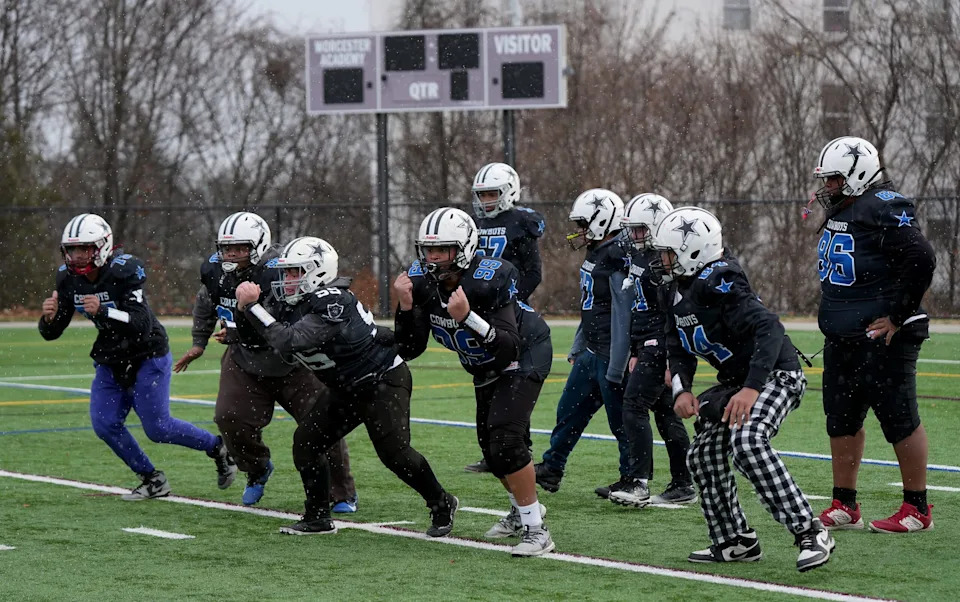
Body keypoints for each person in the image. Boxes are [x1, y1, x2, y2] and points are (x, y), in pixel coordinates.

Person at [651, 206, 834, 572]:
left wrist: (751, 389)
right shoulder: (672, 289)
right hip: (737, 381)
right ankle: (735, 540)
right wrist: (681, 390)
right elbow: (677, 344)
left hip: (775, 375)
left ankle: (811, 531)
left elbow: (770, 329)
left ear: (693, 251)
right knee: (702, 456)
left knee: (748, 441)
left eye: (668, 252)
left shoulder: (721, 281)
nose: (662, 260)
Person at [237, 237, 456, 537]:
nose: (287, 280)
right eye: (286, 273)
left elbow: (290, 341)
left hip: (382, 380)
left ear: (317, 272)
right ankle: (317, 517)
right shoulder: (293, 302)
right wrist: (245, 309)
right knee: (307, 442)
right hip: (346, 388)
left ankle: (442, 502)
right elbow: (257, 334)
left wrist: (252, 306)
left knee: (395, 455)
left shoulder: (332, 299)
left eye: (294, 272)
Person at [39, 213, 237, 500]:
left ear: (102, 246)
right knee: (105, 424)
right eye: (72, 250)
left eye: (84, 249)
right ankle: (151, 478)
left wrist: (104, 310)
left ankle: (217, 447)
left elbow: (140, 322)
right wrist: (48, 319)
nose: (77, 256)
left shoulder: (124, 270)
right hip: (111, 356)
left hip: (147, 353)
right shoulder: (67, 279)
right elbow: (52, 331)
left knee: (158, 428)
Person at [393, 207, 554, 557]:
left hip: (523, 352)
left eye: (442, 250)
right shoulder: (421, 281)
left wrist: (469, 318)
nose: (432, 257)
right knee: (491, 449)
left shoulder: (490, 277)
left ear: (463, 247)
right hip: (483, 363)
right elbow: (410, 347)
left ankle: (537, 530)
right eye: (428, 249)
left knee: (507, 438)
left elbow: (508, 345)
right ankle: (522, 510)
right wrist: (406, 308)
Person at [174, 212, 357, 510]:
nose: (231, 254)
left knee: (322, 424)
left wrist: (242, 322)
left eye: (240, 248)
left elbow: (290, 321)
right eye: (226, 248)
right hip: (244, 356)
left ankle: (341, 491)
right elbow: (206, 301)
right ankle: (257, 468)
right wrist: (199, 341)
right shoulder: (214, 270)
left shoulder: (279, 269)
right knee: (228, 417)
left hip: (294, 360)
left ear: (259, 245)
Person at [811, 136, 937, 533]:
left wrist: (897, 315)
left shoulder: (883, 206)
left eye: (834, 179)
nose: (828, 187)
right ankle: (844, 504)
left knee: (898, 418)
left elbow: (922, 258)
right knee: (841, 418)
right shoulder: (848, 207)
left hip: (881, 336)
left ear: (856, 174)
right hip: (844, 335)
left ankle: (917, 508)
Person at [534, 189, 635, 499]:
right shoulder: (598, 251)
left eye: (583, 224)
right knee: (569, 410)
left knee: (622, 423)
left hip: (611, 352)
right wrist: (580, 344)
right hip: (592, 349)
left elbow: (623, 310)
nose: (578, 231)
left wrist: (618, 362)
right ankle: (552, 467)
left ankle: (632, 478)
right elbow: (591, 305)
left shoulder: (618, 255)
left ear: (602, 220)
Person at [608, 194, 694, 508]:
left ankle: (638, 482)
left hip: (660, 342)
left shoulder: (665, 262)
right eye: (631, 230)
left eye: (641, 230)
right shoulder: (642, 256)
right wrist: (633, 348)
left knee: (633, 405)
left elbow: (670, 312)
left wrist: (671, 356)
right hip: (645, 341)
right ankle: (683, 482)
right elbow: (638, 310)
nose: (634, 237)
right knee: (664, 411)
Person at [465, 162, 546, 473]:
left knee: (509, 381)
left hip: (505, 311)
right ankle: (491, 451)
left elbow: (533, 273)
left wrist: (509, 302)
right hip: (476, 312)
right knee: (483, 379)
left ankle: (517, 446)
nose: (485, 200)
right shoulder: (471, 222)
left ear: (509, 192)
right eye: (481, 194)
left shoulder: (520, 223)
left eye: (491, 193)